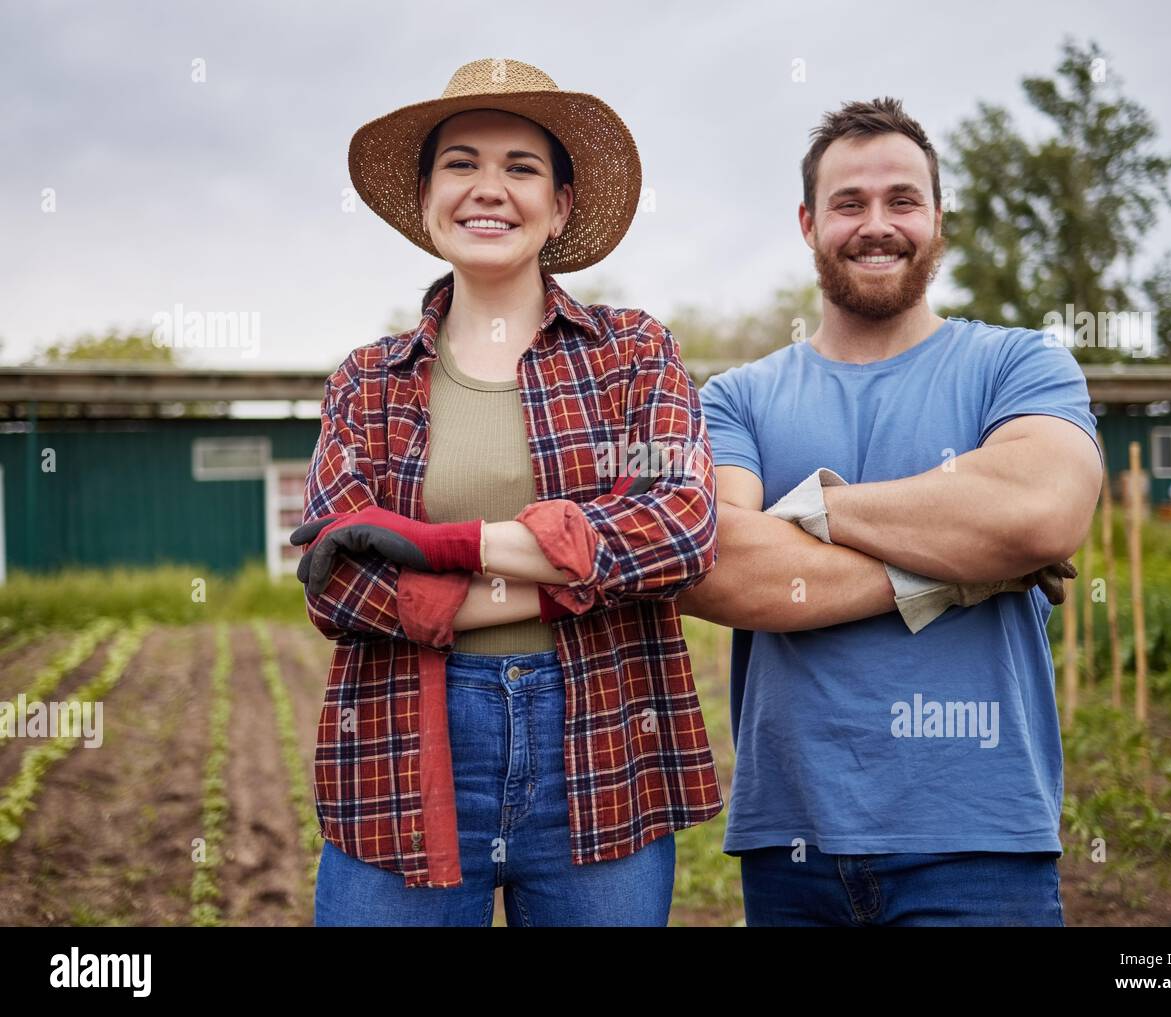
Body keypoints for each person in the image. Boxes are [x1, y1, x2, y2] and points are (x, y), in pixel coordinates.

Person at [295, 58, 720, 926]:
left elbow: (678, 528)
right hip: (403, 752)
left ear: (561, 204)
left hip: (600, 748)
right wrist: (576, 570)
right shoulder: (368, 381)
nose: (489, 188)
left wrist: (446, 546)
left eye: (521, 167)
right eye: (462, 163)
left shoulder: (633, 354)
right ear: (425, 198)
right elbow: (338, 581)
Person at [679, 97, 1104, 926]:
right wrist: (964, 571)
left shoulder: (1019, 364)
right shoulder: (737, 397)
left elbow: (1039, 515)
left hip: (979, 841)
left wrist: (803, 510)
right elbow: (720, 564)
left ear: (939, 218)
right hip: (791, 843)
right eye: (849, 203)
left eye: (902, 200)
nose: (877, 224)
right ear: (808, 223)